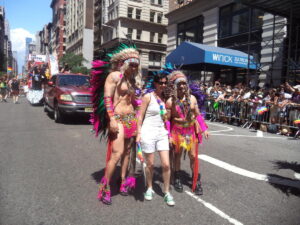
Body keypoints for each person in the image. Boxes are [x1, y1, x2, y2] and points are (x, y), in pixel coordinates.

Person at [91, 43, 142, 205]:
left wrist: (139, 101)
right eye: (132, 64)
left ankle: (122, 182)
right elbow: (107, 99)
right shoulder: (114, 76)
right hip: (118, 119)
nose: (134, 67)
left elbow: (133, 101)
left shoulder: (132, 80)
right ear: (124, 63)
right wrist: (111, 119)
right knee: (116, 154)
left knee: (127, 153)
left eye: (136, 65)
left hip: (131, 120)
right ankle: (104, 188)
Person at [166, 71, 209, 195]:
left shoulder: (192, 98)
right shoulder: (170, 101)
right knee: (177, 155)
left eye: (184, 83)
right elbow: (168, 121)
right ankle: (177, 177)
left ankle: (196, 180)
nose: (182, 86)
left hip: (190, 132)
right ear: (174, 86)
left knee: (193, 156)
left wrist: (204, 128)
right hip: (177, 132)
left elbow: (198, 115)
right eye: (179, 84)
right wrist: (168, 135)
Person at [136, 72, 175, 206]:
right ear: (155, 83)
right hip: (148, 132)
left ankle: (166, 191)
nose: (163, 85)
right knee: (150, 164)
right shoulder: (148, 97)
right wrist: (139, 132)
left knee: (166, 164)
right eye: (161, 82)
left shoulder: (167, 99)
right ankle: (150, 187)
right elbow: (140, 116)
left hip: (162, 133)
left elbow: (169, 119)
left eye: (165, 83)